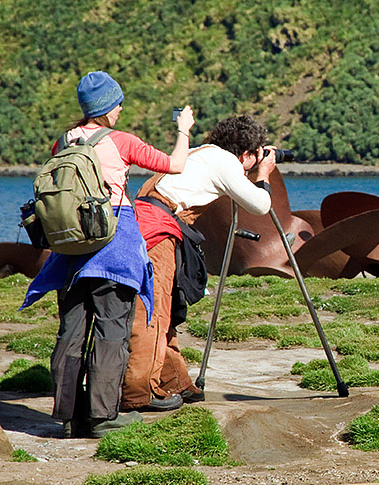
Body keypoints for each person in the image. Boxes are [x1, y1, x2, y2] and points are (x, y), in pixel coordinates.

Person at [20, 70, 194, 437]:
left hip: (69, 251)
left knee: (71, 330)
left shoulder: (63, 142)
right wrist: (184, 130)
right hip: (112, 248)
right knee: (112, 330)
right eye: (117, 104)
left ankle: (68, 416)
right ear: (108, 107)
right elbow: (175, 165)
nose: (119, 110)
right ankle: (103, 416)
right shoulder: (121, 141)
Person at [120, 115, 275, 412]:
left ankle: (175, 382)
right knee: (152, 313)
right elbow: (260, 204)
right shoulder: (225, 162)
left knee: (162, 310)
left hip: (145, 222)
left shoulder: (200, 153)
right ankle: (138, 394)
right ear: (246, 154)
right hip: (158, 231)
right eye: (256, 154)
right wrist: (264, 174)